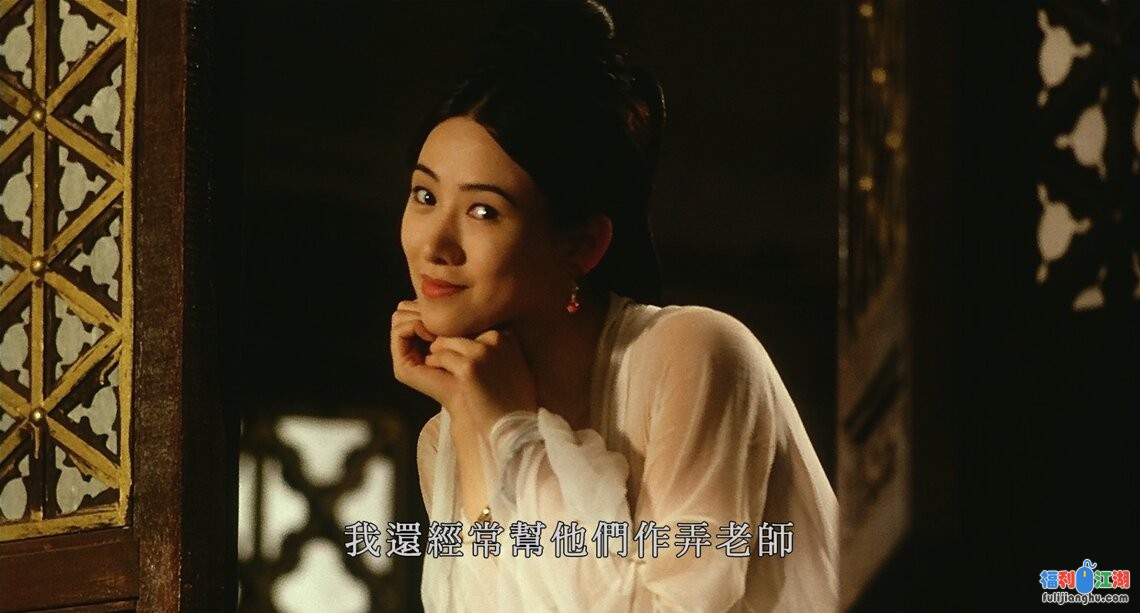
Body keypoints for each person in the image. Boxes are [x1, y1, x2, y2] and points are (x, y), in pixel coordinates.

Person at [390, 1, 837, 610]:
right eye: (424, 196)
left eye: (483, 211)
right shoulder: (441, 440)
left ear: (581, 245)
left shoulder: (695, 353)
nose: (435, 245)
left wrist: (511, 431)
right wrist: (473, 425)